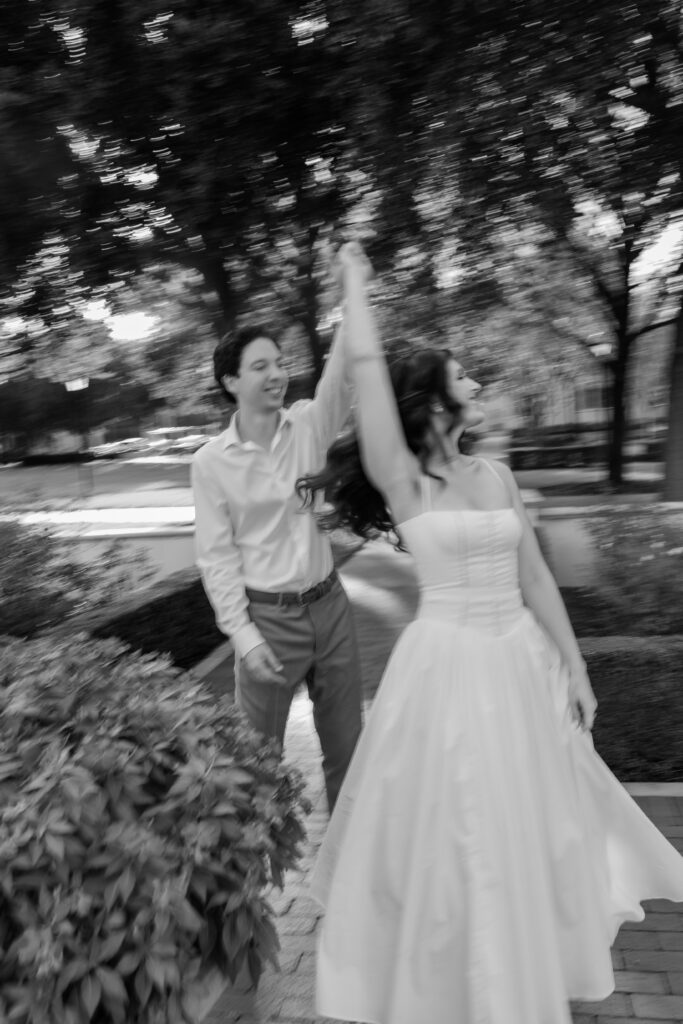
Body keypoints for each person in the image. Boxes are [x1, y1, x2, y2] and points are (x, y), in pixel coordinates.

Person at [298, 242, 683, 1024]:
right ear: (433, 403)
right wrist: (354, 287)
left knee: (527, 824)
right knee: (455, 828)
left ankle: (516, 971)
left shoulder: (498, 476)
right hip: (442, 669)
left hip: (517, 663)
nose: (476, 384)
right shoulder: (404, 479)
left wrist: (575, 669)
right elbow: (367, 372)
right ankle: (454, 983)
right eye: (463, 377)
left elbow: (534, 577)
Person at [191, 320, 362, 813]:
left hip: (330, 608)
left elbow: (340, 381)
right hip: (268, 620)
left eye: (281, 364)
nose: (277, 374)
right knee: (256, 764)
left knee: (349, 751)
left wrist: (351, 304)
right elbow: (217, 557)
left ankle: (347, 856)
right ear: (231, 381)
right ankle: (254, 860)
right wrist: (245, 637)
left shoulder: (308, 426)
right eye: (260, 366)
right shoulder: (211, 462)